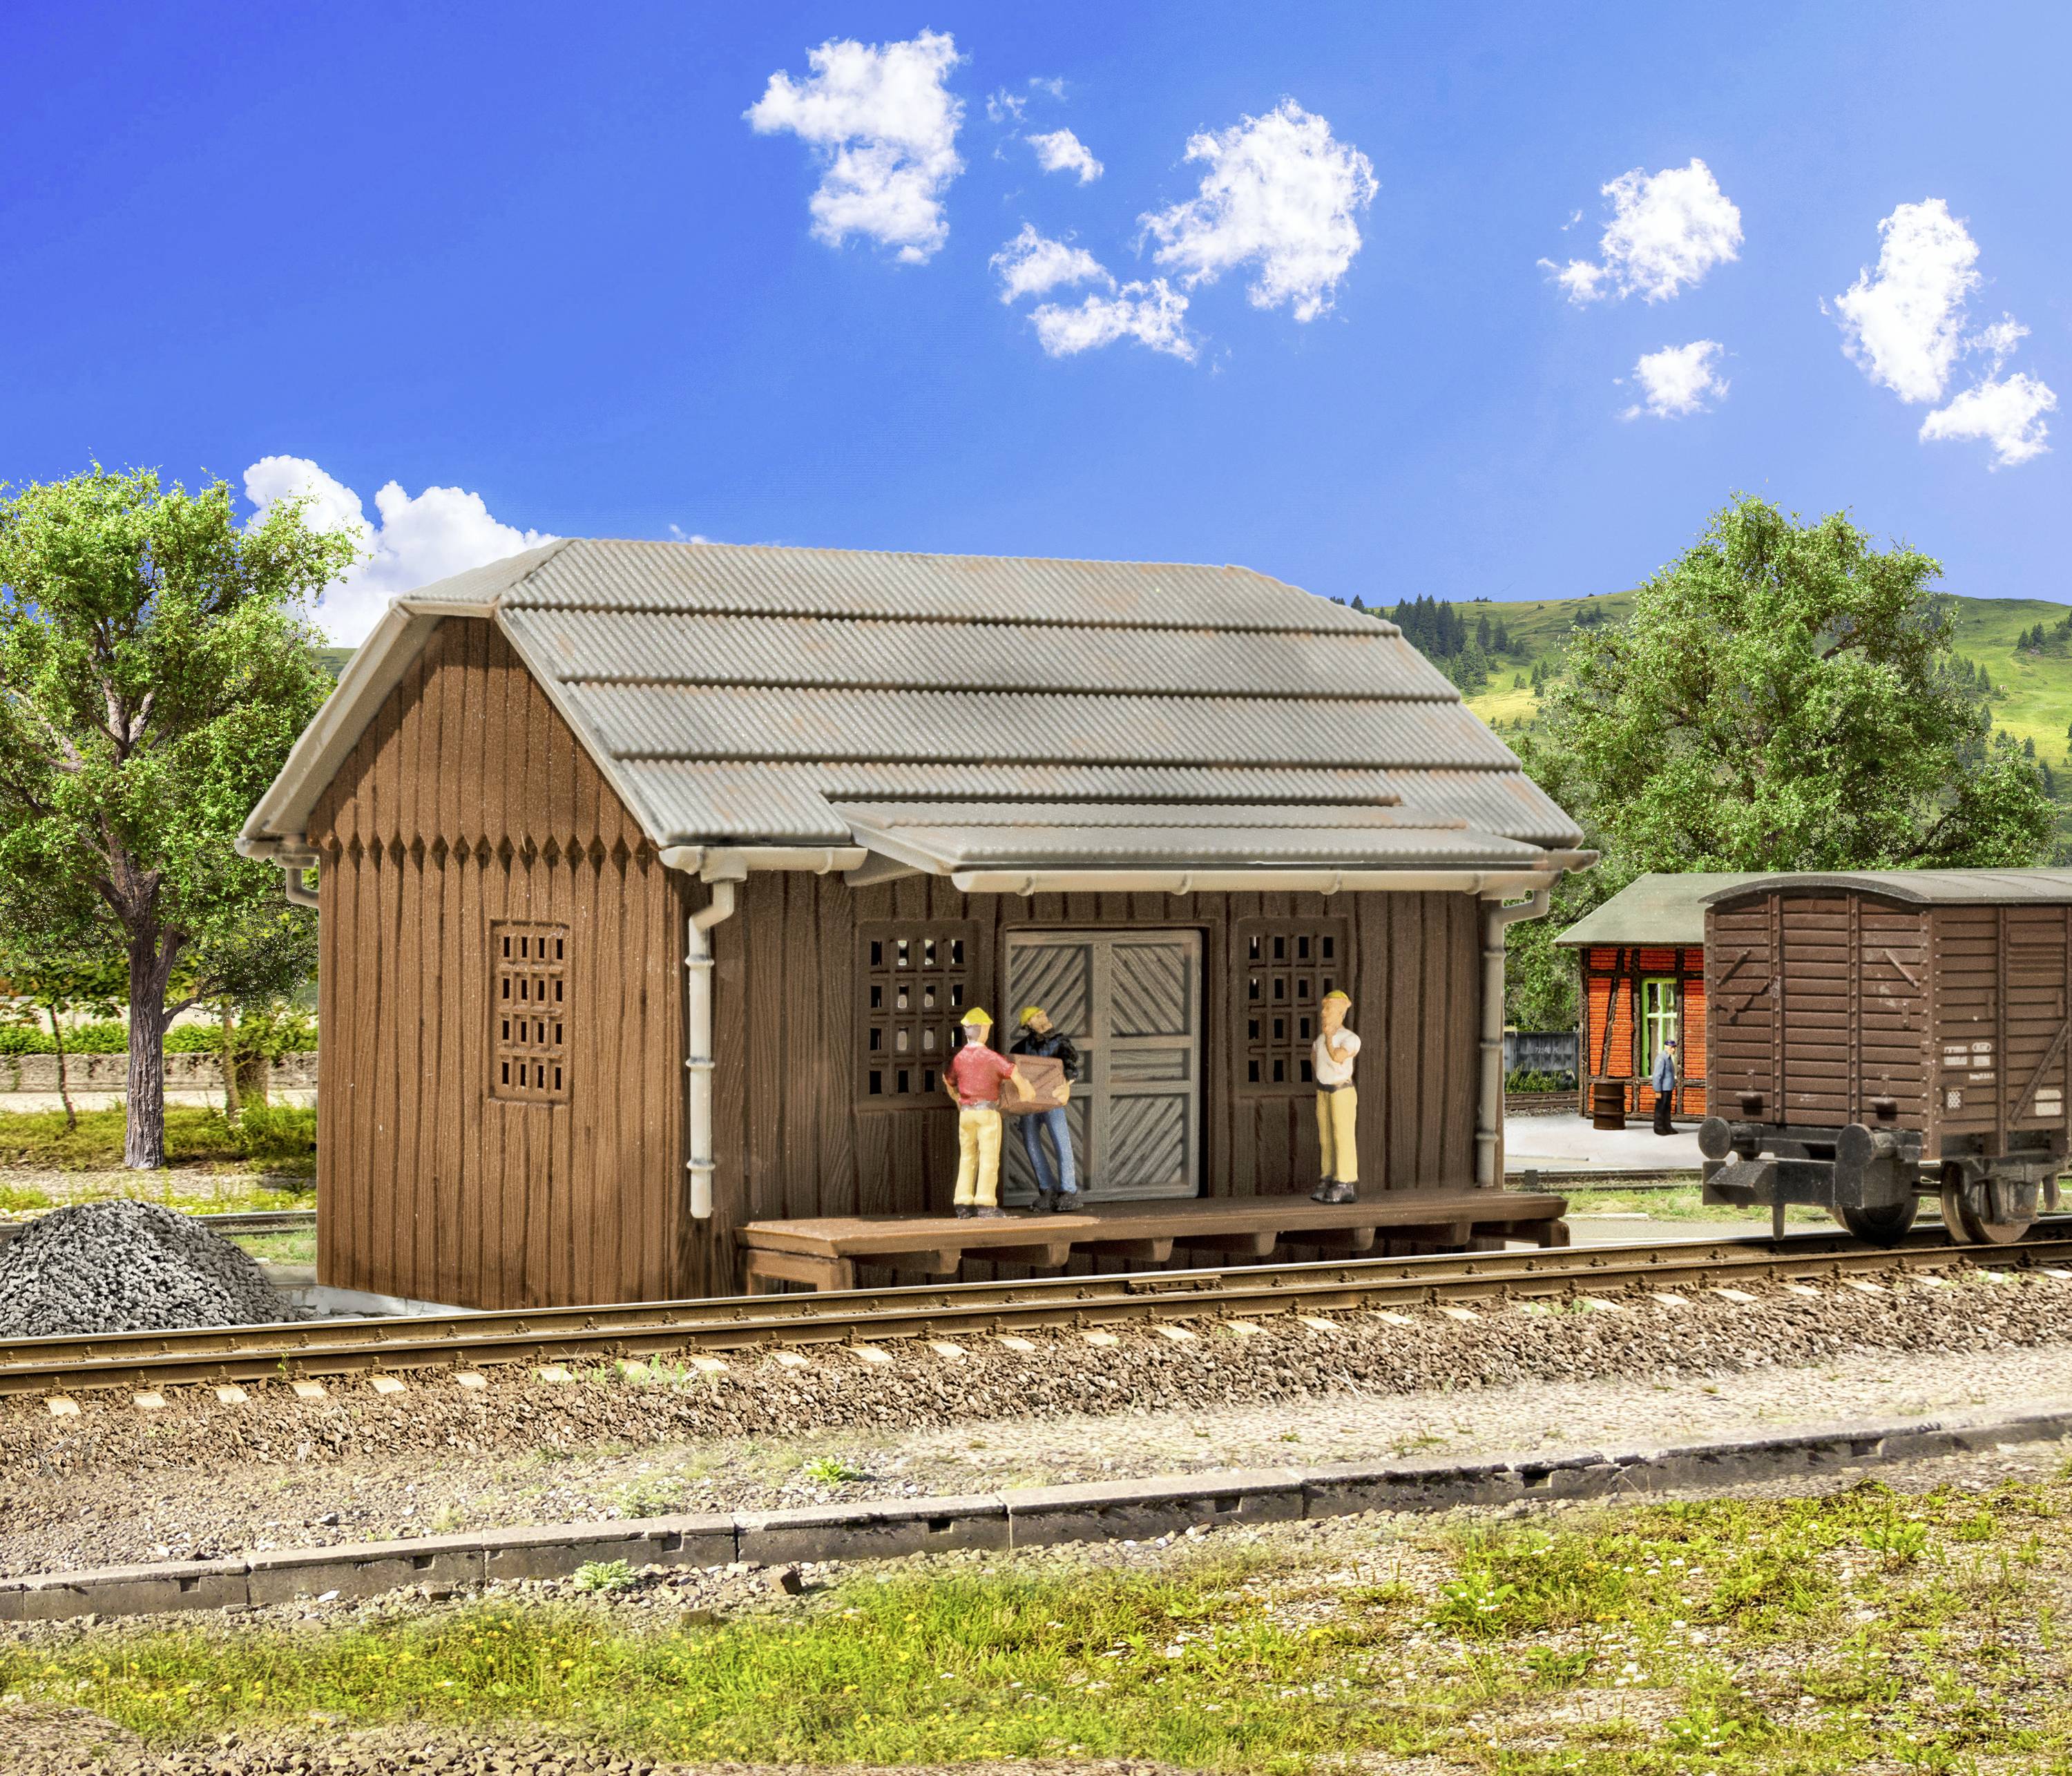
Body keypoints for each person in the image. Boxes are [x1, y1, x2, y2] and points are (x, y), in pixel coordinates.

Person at [942, 1009, 1031, 1219]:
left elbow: (948, 1080)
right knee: (989, 1156)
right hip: (986, 1112)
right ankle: (985, 1201)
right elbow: (1012, 1072)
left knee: (967, 1156)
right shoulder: (990, 1057)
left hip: (966, 1113)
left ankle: (962, 1201)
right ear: (982, 1030)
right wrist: (1026, 1092)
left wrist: (957, 1099)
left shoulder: (960, 1058)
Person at [1010, 1004, 1081, 1212]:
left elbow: (1070, 1064)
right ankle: (1046, 1189)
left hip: (1052, 1100)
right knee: (1031, 1143)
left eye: (1043, 1014)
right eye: (1038, 1017)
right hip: (1030, 1102)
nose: (1044, 1018)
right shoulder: (1022, 1046)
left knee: (1061, 1142)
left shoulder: (1060, 1041)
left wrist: (1066, 1086)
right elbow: (1014, 1067)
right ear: (1028, 1025)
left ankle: (1068, 1190)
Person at [1310, 989, 1361, 1204]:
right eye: (1324, 1008)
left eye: (1328, 1009)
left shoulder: (1350, 1038)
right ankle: (1328, 1177)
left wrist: (1330, 1039)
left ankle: (1345, 1181)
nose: (1323, 1013)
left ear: (1340, 1012)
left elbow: (1338, 1057)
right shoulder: (1320, 1039)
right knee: (1326, 1137)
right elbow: (1314, 1057)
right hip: (1324, 1090)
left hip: (1341, 1091)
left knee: (1342, 1136)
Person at [1651, 1037, 1678, 1135]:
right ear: (1666, 1047)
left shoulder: (1669, 1059)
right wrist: (1657, 1091)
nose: (1674, 1050)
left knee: (1667, 1108)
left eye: (1674, 1048)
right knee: (1660, 1108)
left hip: (1668, 1088)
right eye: (1672, 1048)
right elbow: (1657, 1076)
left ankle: (1667, 1126)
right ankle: (1658, 1128)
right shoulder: (1661, 1059)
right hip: (1662, 1089)